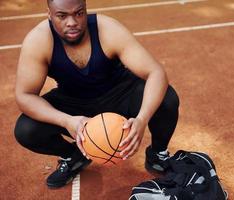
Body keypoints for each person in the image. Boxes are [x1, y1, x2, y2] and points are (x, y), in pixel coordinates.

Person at [14, 0, 179, 189]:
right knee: (26, 129)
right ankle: (74, 155)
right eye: (62, 16)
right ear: (49, 14)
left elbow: (155, 72)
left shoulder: (107, 29)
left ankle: (158, 153)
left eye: (78, 13)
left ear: (85, 10)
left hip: (120, 93)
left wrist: (141, 119)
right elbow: (25, 95)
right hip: (73, 102)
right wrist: (67, 120)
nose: (72, 22)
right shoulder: (39, 40)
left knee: (167, 99)